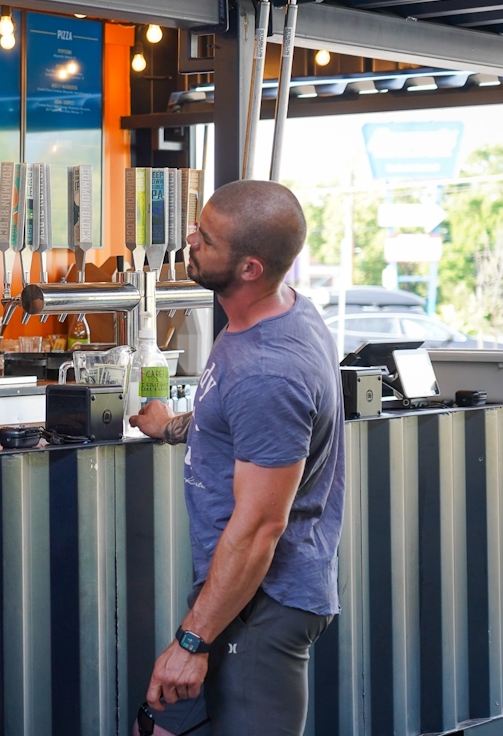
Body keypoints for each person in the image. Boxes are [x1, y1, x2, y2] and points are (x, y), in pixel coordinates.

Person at [132, 180, 344, 736]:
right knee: (158, 726)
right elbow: (239, 426)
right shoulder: (276, 316)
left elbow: (258, 527)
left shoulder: (269, 370)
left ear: (249, 268)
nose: (190, 239)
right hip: (232, 590)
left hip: (263, 599)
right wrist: (173, 425)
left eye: (207, 237)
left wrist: (192, 641)